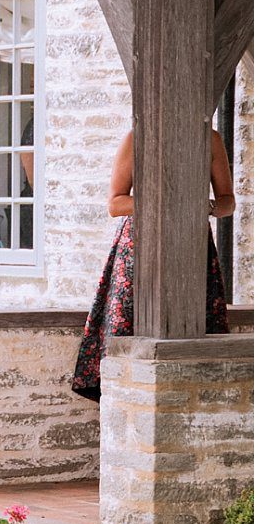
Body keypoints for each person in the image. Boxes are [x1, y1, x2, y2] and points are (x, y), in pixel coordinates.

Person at [70, 128, 234, 402]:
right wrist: (169, 202)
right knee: (126, 326)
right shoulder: (137, 138)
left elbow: (228, 202)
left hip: (192, 245)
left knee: (201, 329)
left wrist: (205, 206)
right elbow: (115, 204)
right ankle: (122, 402)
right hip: (140, 247)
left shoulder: (211, 139)